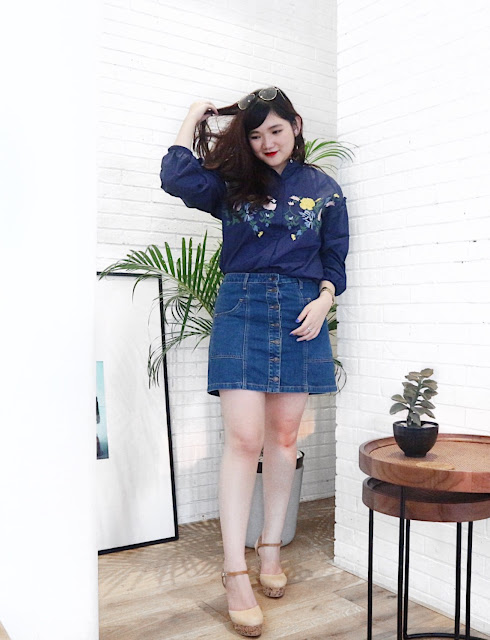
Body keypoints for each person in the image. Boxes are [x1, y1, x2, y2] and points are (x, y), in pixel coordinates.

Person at [160, 86, 349, 637]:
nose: (267, 142)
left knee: (284, 439)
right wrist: (195, 113)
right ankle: (234, 570)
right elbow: (175, 176)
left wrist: (325, 300)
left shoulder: (325, 189)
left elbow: (335, 257)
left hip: (301, 312)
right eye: (256, 133)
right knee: (244, 439)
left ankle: (270, 549)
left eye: (276, 130)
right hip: (242, 307)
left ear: (297, 125)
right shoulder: (233, 183)